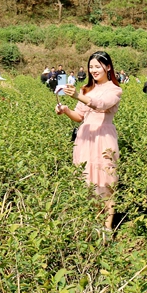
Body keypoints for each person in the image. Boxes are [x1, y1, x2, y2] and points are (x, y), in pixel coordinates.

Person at [56, 51, 122, 230]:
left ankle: (107, 228)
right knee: (86, 181)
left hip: (103, 137)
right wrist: (66, 110)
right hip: (85, 138)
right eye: (91, 66)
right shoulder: (86, 88)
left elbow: (100, 105)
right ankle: (91, 223)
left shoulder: (114, 89)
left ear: (107, 67)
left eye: (97, 66)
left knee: (106, 182)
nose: (93, 70)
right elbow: (79, 116)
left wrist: (77, 95)